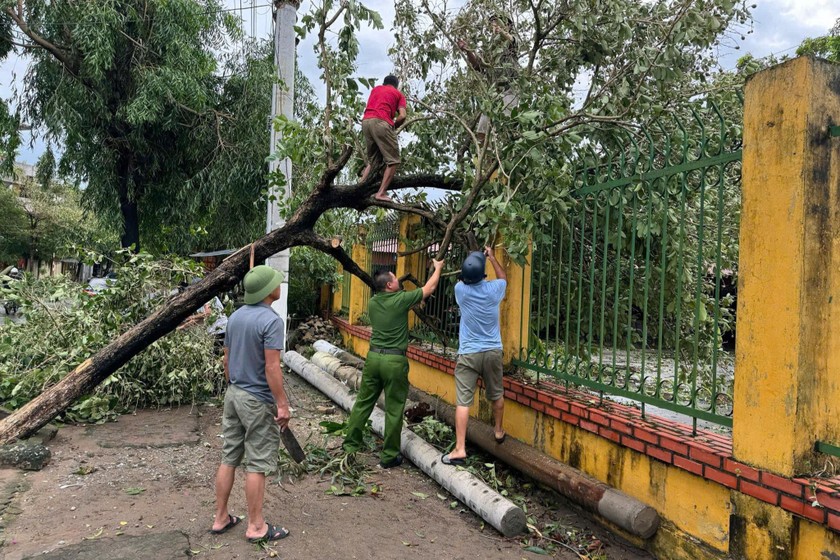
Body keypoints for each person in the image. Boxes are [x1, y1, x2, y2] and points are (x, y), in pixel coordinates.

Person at [210, 265, 291, 543]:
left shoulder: (235, 317)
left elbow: (226, 360)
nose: (279, 284)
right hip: (257, 399)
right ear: (269, 291)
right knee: (257, 462)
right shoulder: (271, 321)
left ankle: (221, 518)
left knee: (229, 456)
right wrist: (282, 404)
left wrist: (234, 385)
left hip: (233, 394)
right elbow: (272, 368)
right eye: (276, 282)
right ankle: (256, 526)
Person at [343, 259, 444, 468]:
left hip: (372, 359)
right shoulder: (400, 300)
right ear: (389, 285)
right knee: (394, 409)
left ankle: (350, 446)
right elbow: (429, 288)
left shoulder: (373, 302)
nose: (398, 279)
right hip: (394, 361)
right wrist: (438, 267)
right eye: (395, 278)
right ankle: (389, 456)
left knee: (363, 403)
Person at [441, 246, 507, 466]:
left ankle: (460, 449)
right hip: (492, 351)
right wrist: (492, 257)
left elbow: (465, 278)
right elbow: (503, 277)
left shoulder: (461, 290)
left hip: (469, 353)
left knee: (463, 401)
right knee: (496, 393)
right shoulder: (495, 289)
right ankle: (498, 431)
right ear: (482, 274)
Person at [456, 16, 519, 146]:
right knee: (482, 131)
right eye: (492, 25)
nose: (494, 27)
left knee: (507, 126)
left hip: (509, 90)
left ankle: (508, 155)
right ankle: (487, 163)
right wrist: (468, 50)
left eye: (498, 24)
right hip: (493, 95)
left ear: (508, 26)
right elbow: (478, 66)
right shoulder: (490, 49)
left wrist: (501, 31)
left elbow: (512, 41)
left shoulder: (510, 44)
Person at [359, 75, 407, 202]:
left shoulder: (375, 90)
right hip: (381, 122)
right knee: (393, 161)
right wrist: (393, 126)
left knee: (373, 160)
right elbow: (402, 116)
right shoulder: (398, 94)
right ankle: (381, 193)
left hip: (366, 122)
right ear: (396, 85)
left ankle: (358, 187)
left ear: (384, 83)